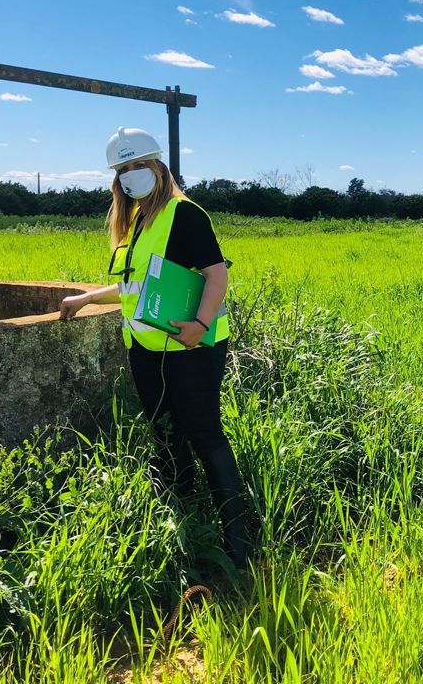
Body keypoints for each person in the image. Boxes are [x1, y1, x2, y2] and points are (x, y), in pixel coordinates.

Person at [60, 127, 253, 568]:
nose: (131, 176)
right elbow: (135, 284)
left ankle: (237, 540)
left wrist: (200, 326)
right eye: (122, 170)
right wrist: (87, 297)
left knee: (203, 431)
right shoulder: (138, 221)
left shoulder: (185, 215)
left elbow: (216, 274)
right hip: (147, 348)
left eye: (137, 165)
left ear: (157, 165)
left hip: (190, 347)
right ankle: (184, 514)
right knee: (164, 429)